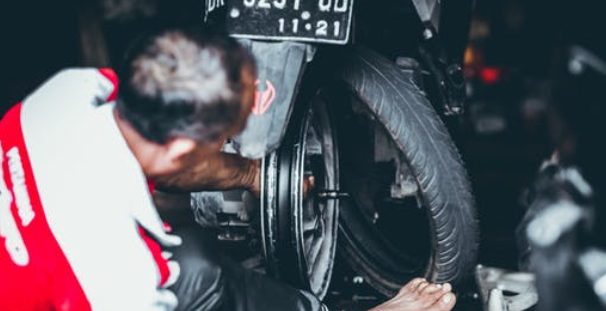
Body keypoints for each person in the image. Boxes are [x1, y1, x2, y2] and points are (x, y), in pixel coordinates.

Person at [0, 27, 456, 311]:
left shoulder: (70, 94)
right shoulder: (122, 281)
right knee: (198, 275)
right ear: (181, 147)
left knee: (195, 265)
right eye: (226, 139)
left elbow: (159, 159)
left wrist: (253, 175)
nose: (230, 145)